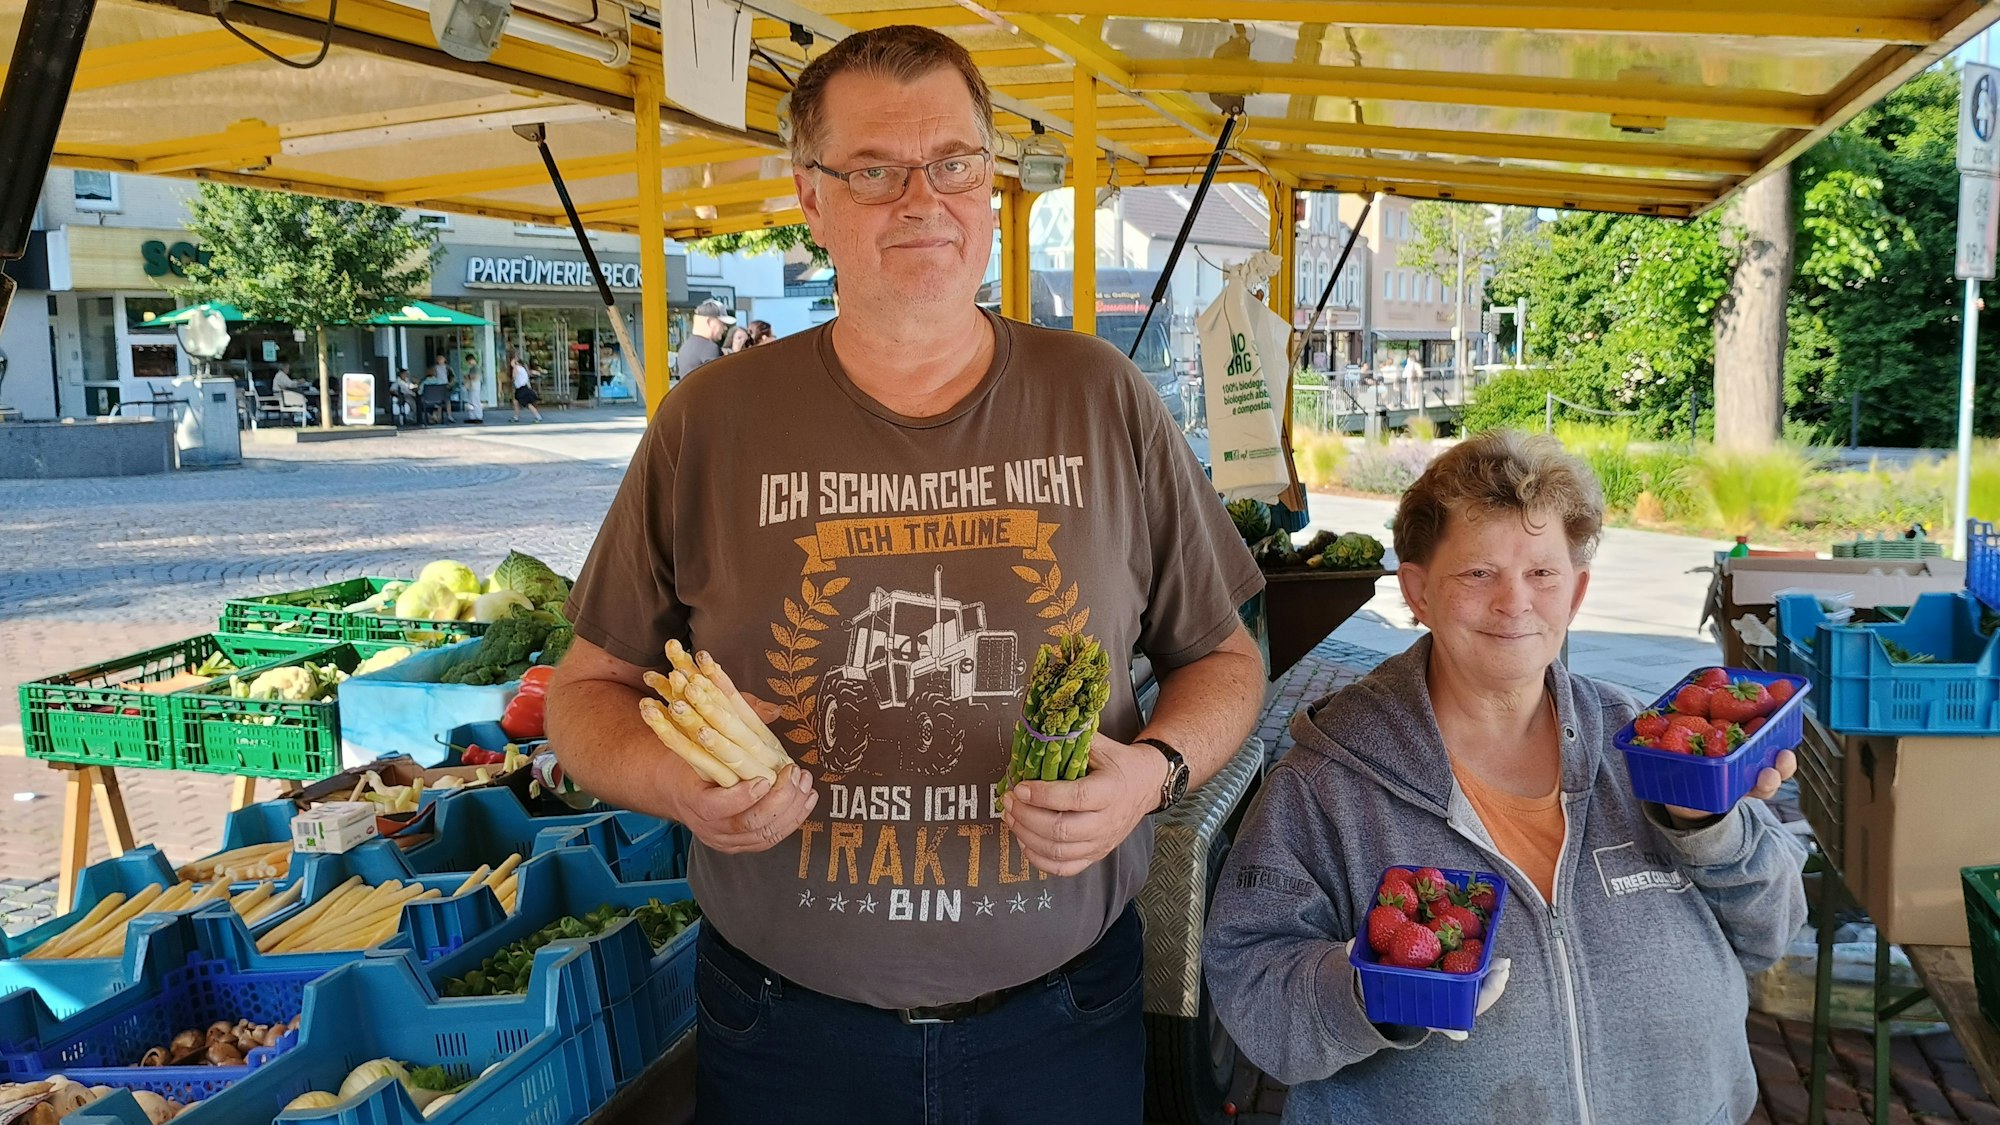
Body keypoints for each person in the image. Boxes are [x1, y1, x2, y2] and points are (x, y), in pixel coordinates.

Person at [547, 24, 1267, 1124]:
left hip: (1062, 1018)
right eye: (873, 170)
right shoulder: (711, 422)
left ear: (989, 185)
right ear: (810, 197)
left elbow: (1220, 655)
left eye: (954, 164)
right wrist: (669, 781)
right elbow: (584, 694)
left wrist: (1151, 774)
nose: (919, 198)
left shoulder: (1100, 397)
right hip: (786, 1032)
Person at [1203, 430, 1808, 1125]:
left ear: (1576, 592)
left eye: (1543, 574)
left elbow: (1772, 929)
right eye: (1479, 573)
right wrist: (1367, 988)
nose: (1515, 602)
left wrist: (1708, 825)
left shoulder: (1644, 741)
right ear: (1418, 590)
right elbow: (1253, 994)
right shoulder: (1327, 782)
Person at [674, 298, 732, 381]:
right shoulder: (710, 348)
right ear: (709, 321)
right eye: (721, 323)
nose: (725, 328)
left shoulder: (685, 347)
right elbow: (719, 383)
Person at [507, 349, 543, 423]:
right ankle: (516, 417)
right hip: (522, 388)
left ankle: (538, 416)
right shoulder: (522, 368)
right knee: (515, 401)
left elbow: (514, 377)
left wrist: (513, 369)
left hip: (522, 388)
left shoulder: (516, 368)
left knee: (528, 404)